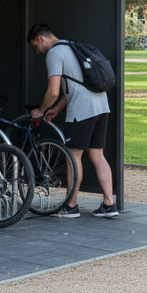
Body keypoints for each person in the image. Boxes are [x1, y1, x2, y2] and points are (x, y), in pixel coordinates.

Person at [27, 22, 118, 219]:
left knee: (73, 156)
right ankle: (109, 205)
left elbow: (53, 91)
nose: (37, 51)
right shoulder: (72, 47)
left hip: (82, 111)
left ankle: (71, 206)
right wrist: (56, 109)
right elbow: (74, 87)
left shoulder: (54, 53)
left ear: (42, 39)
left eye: (36, 46)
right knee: (97, 154)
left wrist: (41, 110)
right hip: (101, 106)